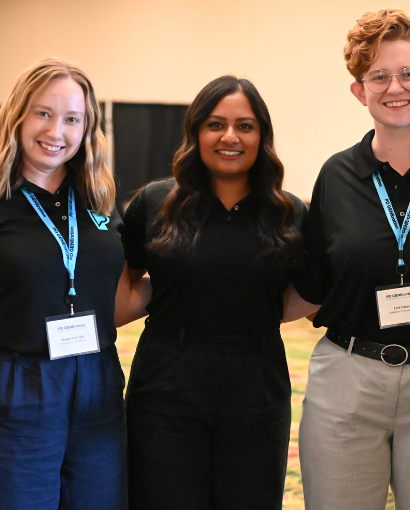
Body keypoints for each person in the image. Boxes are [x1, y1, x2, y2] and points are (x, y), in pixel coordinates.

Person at [289, 9, 410, 510]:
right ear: (359, 90)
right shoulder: (337, 176)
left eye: (407, 73)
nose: (394, 87)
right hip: (349, 379)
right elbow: (314, 285)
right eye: (378, 76)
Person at [0, 58, 127, 509]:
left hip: (97, 387)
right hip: (9, 389)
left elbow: (113, 298)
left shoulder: (98, 199)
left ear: (88, 128)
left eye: (72, 119)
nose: (57, 131)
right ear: (16, 116)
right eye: (43, 113)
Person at [117, 75, 307, 510]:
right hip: (167, 379)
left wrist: (248, 312)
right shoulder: (156, 201)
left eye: (245, 126)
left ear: (262, 136)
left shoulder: (289, 212)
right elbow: (125, 281)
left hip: (256, 381)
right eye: (215, 124)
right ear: (195, 132)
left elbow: (308, 294)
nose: (230, 137)